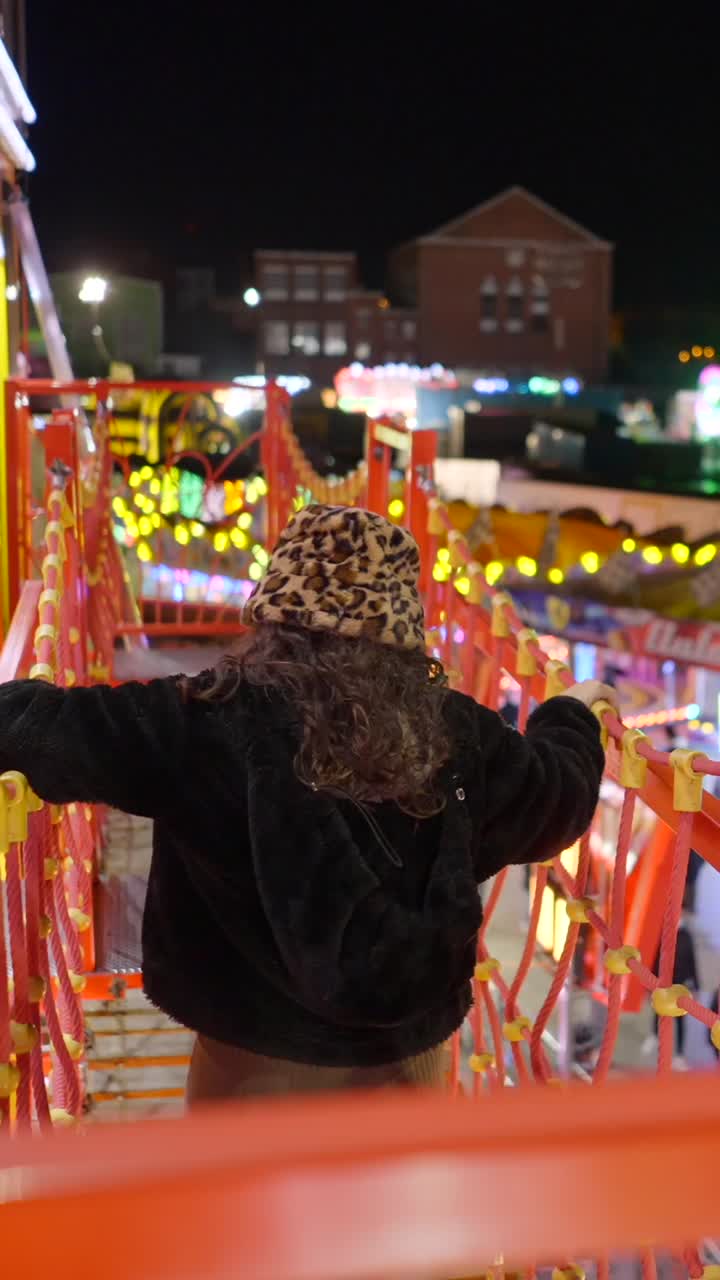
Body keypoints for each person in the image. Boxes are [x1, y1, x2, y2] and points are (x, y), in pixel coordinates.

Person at [0, 505, 611, 1104]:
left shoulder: (202, 721)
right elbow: (561, 796)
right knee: (398, 1207)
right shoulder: (461, 735)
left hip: (245, 1071)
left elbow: (40, 731)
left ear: (273, 612)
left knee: (233, 1206)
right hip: (410, 1074)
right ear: (401, 622)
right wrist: (573, 715)